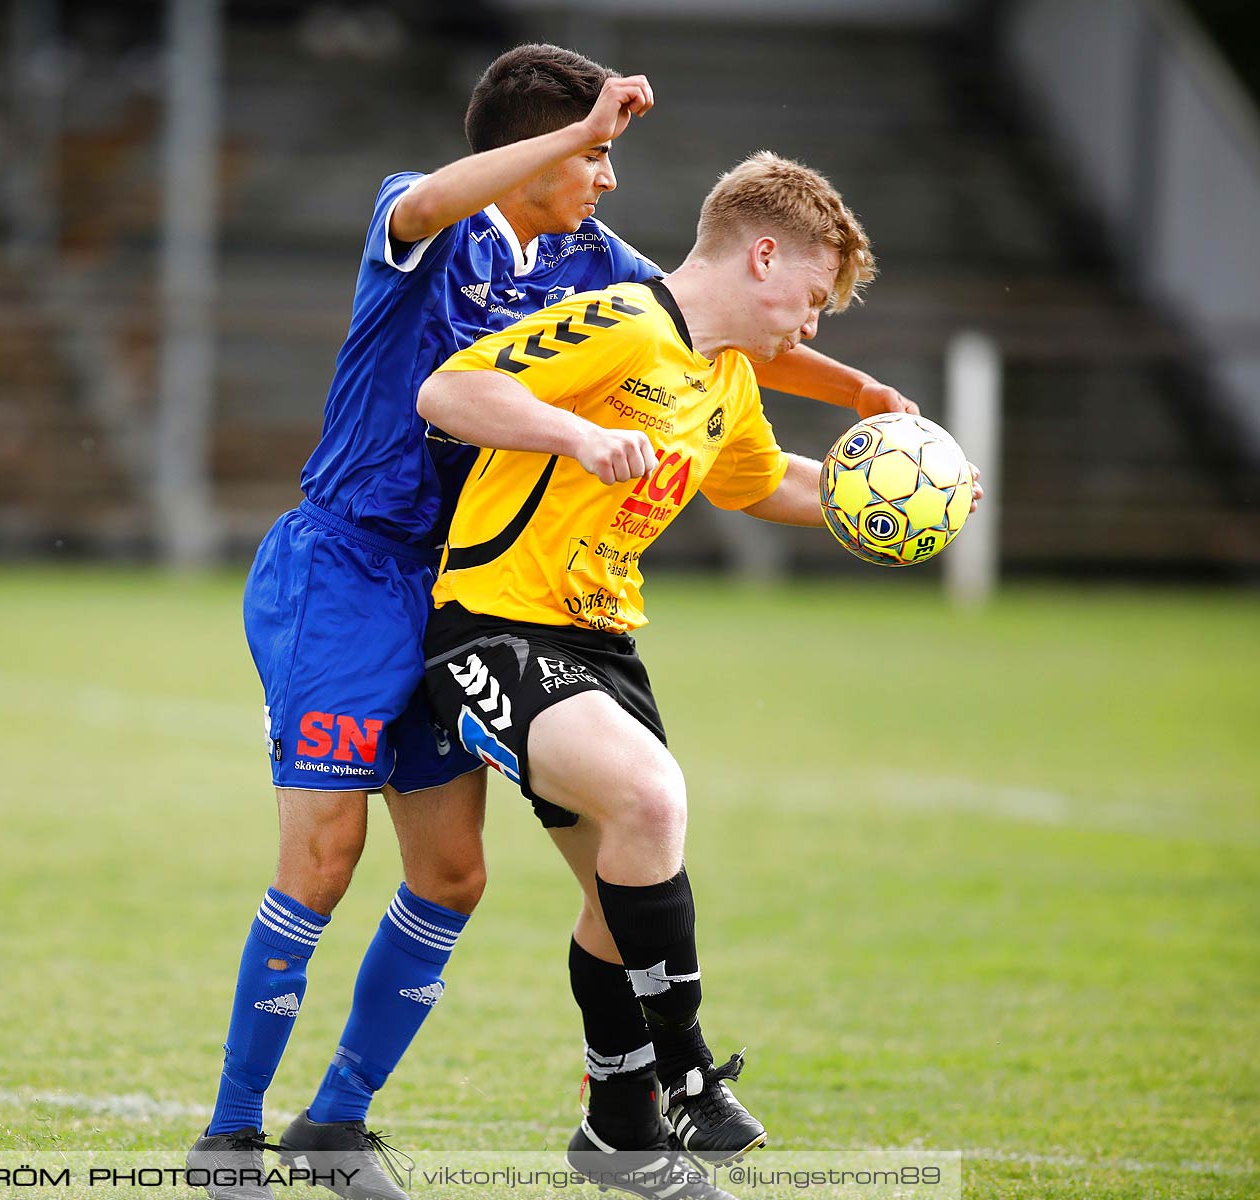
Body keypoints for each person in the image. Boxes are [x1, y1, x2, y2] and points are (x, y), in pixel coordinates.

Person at [191, 46, 921, 1200]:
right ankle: (229, 1141)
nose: (611, 179)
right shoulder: (426, 216)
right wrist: (575, 128)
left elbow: (711, 314)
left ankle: (335, 1126)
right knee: (326, 856)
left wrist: (865, 398)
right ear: (532, 150)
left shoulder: (595, 263)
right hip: (345, 565)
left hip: (456, 587)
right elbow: (444, 198)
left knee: (454, 876)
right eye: (598, 156)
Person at [417, 150, 982, 1198]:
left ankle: (616, 1137)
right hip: (490, 628)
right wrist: (577, 434)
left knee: (616, 892)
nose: (808, 328)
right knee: (649, 797)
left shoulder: (724, 380)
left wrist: (910, 498)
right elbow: (449, 390)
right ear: (763, 254)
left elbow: (762, 485)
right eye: (811, 299)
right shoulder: (625, 323)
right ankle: (685, 1072)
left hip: (602, 646)